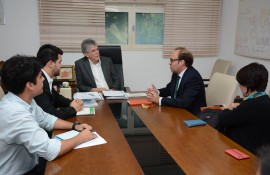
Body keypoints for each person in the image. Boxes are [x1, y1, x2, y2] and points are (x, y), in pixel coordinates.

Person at [0, 55, 97, 175]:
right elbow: (50, 150)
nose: (43, 80)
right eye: (40, 77)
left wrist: (74, 126)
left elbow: (46, 119)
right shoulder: (15, 114)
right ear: (29, 85)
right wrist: (81, 137)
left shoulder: (24, 98)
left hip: (33, 162)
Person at [218, 62, 270, 154]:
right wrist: (240, 105)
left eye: (241, 84)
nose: (239, 86)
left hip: (244, 152)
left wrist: (226, 108)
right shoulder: (265, 99)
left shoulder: (250, 106)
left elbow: (225, 119)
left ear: (248, 86)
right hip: (261, 150)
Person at [146, 47, 206, 115]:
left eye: (172, 60)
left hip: (192, 116)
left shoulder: (193, 77)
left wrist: (159, 100)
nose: (169, 63)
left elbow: (184, 102)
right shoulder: (176, 73)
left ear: (181, 62)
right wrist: (157, 92)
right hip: (178, 111)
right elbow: (169, 89)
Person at [34, 44, 84, 120]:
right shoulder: (40, 83)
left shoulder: (46, 77)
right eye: (59, 62)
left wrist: (71, 102)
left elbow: (55, 97)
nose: (61, 66)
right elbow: (51, 114)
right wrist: (73, 109)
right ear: (51, 63)